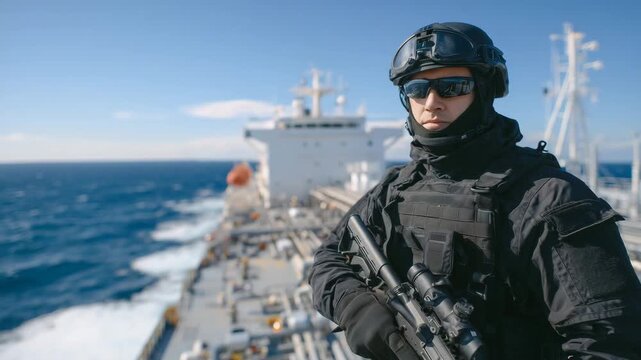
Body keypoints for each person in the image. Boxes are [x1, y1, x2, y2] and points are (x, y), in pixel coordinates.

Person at [309, 22, 641, 359]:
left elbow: (613, 344)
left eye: (452, 86)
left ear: (483, 90)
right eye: (417, 89)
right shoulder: (394, 188)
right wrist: (355, 306)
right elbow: (328, 258)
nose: (432, 102)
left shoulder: (549, 198)